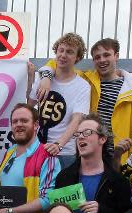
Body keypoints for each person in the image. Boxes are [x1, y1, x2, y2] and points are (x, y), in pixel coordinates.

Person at [35, 38, 132, 165]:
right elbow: (58, 62)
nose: (102, 60)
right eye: (97, 57)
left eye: (106, 55)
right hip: (88, 155)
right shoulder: (85, 80)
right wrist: (46, 78)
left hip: (119, 157)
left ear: (116, 56)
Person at [54, 114, 132, 213]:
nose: (81, 137)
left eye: (87, 132)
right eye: (78, 134)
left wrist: (101, 211)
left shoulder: (117, 181)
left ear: (102, 139)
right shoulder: (64, 177)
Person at [29, 33, 91, 169]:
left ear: (78, 57)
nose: (63, 55)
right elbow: (29, 105)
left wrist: (59, 144)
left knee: (62, 190)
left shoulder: (82, 86)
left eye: (69, 52)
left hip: (64, 152)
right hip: (37, 147)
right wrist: (31, 77)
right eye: (61, 50)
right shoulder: (44, 77)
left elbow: (77, 119)